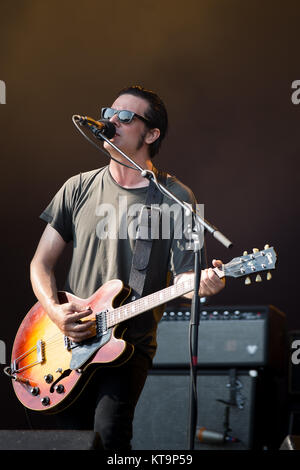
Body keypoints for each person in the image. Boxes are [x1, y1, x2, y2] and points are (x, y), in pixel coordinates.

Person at [29, 85, 225, 450]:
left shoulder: (176, 197)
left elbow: (185, 276)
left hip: (126, 348)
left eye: (124, 116)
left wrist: (203, 283)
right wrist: (55, 312)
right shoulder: (77, 187)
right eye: (109, 112)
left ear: (151, 134)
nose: (110, 121)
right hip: (65, 344)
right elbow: (40, 263)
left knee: (108, 440)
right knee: (63, 443)